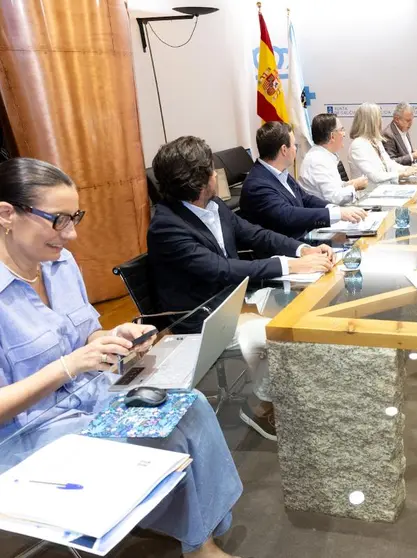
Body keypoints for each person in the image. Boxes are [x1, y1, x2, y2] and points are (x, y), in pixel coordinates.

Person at [0, 157, 243, 558]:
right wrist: (68, 366)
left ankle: (201, 529)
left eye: (74, 217)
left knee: (188, 406)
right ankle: (198, 541)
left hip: (89, 397)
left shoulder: (59, 264)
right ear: (7, 214)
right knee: (156, 433)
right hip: (30, 434)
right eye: (59, 220)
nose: (72, 234)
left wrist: (113, 336)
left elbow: (86, 333)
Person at [147, 136, 335, 440]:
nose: (215, 174)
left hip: (237, 298)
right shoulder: (167, 227)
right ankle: (259, 405)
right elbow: (222, 270)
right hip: (205, 315)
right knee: (283, 333)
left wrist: (301, 251)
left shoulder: (212, 204)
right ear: (200, 181)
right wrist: (287, 265)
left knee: (311, 305)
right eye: (211, 169)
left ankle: (288, 393)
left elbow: (254, 234)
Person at [241, 122, 367, 239]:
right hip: (284, 251)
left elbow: (305, 198)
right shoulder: (257, 185)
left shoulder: (279, 172)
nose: (296, 149)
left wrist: (334, 209)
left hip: (302, 238)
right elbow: (288, 215)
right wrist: (336, 214)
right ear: (284, 150)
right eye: (294, 145)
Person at [299, 113, 368, 205]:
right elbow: (334, 197)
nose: (344, 134)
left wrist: (348, 184)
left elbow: (332, 188)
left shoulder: (323, 155)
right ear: (332, 136)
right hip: (323, 216)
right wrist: (355, 186)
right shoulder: (317, 161)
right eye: (341, 130)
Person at [348, 102, 417, 185]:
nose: (381, 121)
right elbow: (375, 176)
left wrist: (408, 169)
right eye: (379, 118)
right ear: (371, 121)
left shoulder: (375, 141)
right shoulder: (358, 145)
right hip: (367, 194)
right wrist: (401, 174)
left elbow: (389, 164)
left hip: (383, 190)